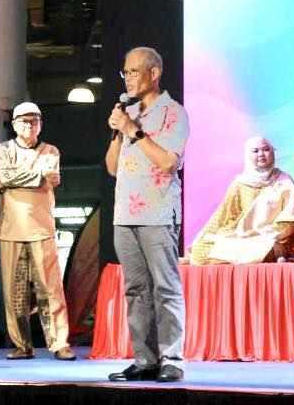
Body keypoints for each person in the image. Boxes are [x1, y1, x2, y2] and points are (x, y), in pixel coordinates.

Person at [105, 46, 189, 383]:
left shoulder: (173, 112)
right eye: (125, 72)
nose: (128, 78)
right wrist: (118, 131)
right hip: (124, 214)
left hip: (158, 212)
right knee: (136, 290)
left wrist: (133, 131)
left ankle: (173, 360)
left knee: (165, 288)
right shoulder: (128, 113)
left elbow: (168, 162)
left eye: (135, 71)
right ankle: (145, 359)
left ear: (154, 73)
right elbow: (112, 168)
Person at [0, 101, 76, 361]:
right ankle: (22, 345)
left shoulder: (50, 150)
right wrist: (36, 175)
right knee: (14, 292)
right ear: (14, 124)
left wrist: (13, 179)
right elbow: (5, 177)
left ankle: (60, 343)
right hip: (10, 229)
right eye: (25, 121)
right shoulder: (4, 149)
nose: (30, 125)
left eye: (35, 121)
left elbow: (50, 176)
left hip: (41, 228)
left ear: (41, 124)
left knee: (51, 290)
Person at [189, 136, 294, 264]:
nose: (261, 154)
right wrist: (201, 237)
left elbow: (292, 222)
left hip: (268, 239)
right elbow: (221, 216)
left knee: (266, 248)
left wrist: (269, 234)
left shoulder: (284, 182)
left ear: (273, 152)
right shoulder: (240, 183)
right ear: (247, 155)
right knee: (201, 249)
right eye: (255, 151)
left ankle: (252, 256)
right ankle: (248, 258)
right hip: (241, 238)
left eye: (266, 149)